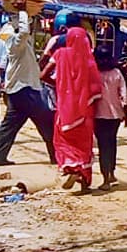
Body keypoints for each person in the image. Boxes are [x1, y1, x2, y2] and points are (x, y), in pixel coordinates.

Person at [0, 11, 56, 166]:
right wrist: (24, 12)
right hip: (24, 88)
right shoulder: (14, 43)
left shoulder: (17, 41)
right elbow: (24, 32)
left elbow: (26, 34)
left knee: (10, 125)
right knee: (46, 121)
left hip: (21, 87)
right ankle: (57, 155)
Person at [51, 26, 102, 193]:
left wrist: (61, 85)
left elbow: (43, 74)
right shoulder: (89, 61)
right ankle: (84, 181)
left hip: (65, 108)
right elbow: (96, 90)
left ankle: (72, 168)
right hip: (84, 111)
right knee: (84, 146)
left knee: (64, 141)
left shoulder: (60, 55)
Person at [93, 49, 127, 190]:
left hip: (98, 115)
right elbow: (124, 96)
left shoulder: (94, 74)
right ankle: (112, 173)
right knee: (111, 143)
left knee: (103, 146)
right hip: (115, 115)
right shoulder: (117, 73)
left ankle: (105, 179)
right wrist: (125, 116)